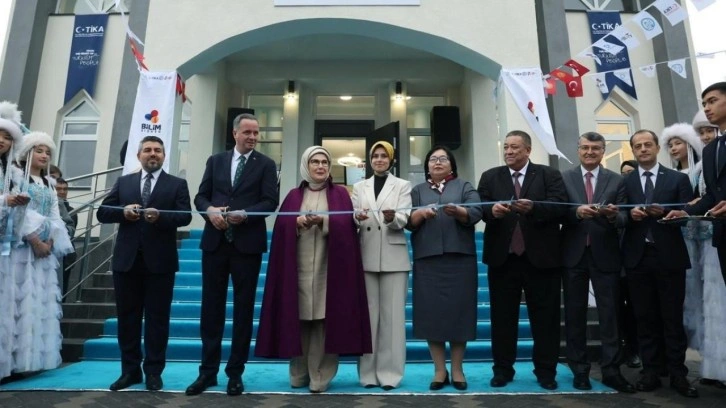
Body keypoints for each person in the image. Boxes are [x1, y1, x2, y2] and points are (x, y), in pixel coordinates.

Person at [255, 146, 371, 393]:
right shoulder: (293, 196)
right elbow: (281, 228)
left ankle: (320, 375)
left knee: (323, 322)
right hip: (297, 267)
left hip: (330, 267)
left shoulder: (340, 194)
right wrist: (296, 223)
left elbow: (347, 225)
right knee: (298, 319)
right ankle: (299, 372)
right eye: (315, 162)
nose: (320, 166)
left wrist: (324, 221)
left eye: (324, 162)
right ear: (306, 166)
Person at [187, 113, 279, 396]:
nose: (253, 137)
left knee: (243, 311)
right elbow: (200, 196)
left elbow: (270, 201)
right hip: (215, 244)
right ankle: (207, 372)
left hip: (246, 246)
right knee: (210, 310)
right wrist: (210, 211)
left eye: (256, 133)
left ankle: (235, 373)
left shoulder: (266, 164)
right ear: (235, 133)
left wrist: (246, 214)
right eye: (247, 132)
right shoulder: (216, 161)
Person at [97, 136, 192, 391]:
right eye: (148, 150)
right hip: (126, 262)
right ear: (139, 155)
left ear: (164, 156)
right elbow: (102, 212)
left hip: (160, 263)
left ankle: (153, 372)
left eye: (158, 150)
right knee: (127, 319)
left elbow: (185, 216)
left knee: (157, 320)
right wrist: (123, 212)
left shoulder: (177, 184)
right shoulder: (124, 182)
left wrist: (160, 217)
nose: (153, 154)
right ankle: (129, 371)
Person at [477, 130, 567, 391]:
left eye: (514, 147)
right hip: (503, 259)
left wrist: (535, 208)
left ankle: (546, 371)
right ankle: (502, 370)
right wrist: (492, 211)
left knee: (546, 318)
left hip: (542, 258)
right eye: (506, 146)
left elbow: (561, 207)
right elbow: (479, 207)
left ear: (528, 150)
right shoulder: (490, 176)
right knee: (502, 318)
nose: (508, 151)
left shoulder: (549, 175)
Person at [620, 129, 697, 398]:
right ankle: (650, 371)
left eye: (647, 144)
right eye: (638, 146)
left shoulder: (677, 178)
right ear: (632, 150)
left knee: (672, 318)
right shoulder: (626, 182)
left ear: (656, 148)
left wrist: (665, 212)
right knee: (644, 318)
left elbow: (688, 214)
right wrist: (632, 215)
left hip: (669, 257)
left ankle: (678, 374)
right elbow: (620, 215)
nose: (643, 149)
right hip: (637, 258)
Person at [560, 132, 634, 393]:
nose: (590, 152)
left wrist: (614, 216)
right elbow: (556, 211)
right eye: (585, 148)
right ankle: (579, 370)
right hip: (573, 255)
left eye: (595, 148)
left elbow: (625, 217)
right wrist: (576, 212)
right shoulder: (564, 178)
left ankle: (611, 370)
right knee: (574, 314)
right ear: (578, 150)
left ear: (603, 151)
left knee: (610, 314)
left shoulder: (617, 180)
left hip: (606, 255)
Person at [407, 145, 482, 391]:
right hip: (427, 260)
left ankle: (458, 369)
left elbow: (477, 211)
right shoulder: (417, 191)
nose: (437, 162)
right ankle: (439, 370)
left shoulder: (464, 186)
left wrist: (459, 211)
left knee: (459, 315)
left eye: (443, 159)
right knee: (432, 316)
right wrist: (421, 214)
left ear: (452, 164)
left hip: (460, 259)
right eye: (433, 159)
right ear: (427, 166)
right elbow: (407, 220)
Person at [661, 122, 726, 389]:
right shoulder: (700, 162)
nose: (706, 136)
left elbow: (710, 196)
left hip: (711, 239)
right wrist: (686, 211)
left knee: (716, 300)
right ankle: (713, 364)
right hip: (691, 241)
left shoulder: (703, 166)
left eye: (679, 142)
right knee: (700, 305)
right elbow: (708, 198)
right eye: (670, 144)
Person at [351, 141, 411, 390]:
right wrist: (357, 217)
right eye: (375, 156)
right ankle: (367, 374)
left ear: (391, 160)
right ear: (369, 160)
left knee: (393, 319)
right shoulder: (359, 186)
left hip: (394, 257)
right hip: (365, 254)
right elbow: (353, 216)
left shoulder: (403, 185)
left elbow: (404, 217)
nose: (379, 160)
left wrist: (392, 217)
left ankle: (390, 375)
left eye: (384, 156)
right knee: (368, 318)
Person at [12, 131, 73, 373]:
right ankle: (15, 360)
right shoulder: (17, 177)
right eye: (39, 151)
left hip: (45, 250)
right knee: (20, 300)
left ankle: (33, 360)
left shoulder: (49, 183)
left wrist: (50, 240)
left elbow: (55, 216)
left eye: (48, 152)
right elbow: (19, 213)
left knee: (40, 301)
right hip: (22, 249)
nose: (44, 155)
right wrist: (35, 239)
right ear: (26, 152)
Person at [0, 101, 28, 380]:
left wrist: (19, 204)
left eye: (8, 137)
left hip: (5, 248)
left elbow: (16, 219)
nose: (2, 141)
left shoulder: (13, 174)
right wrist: (4, 201)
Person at [54, 177, 77, 296]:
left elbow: (70, 233)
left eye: (65, 189)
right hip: (47, 253)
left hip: (66, 257)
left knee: (61, 292)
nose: (62, 192)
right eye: (58, 189)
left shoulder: (72, 211)